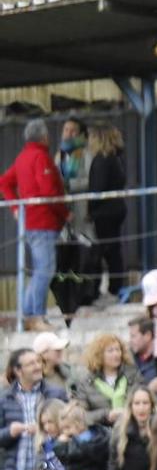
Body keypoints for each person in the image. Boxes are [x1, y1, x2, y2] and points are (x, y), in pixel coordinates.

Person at [0, 120, 67, 330]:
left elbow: (4, 182)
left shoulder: (22, 158)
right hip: (43, 222)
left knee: (41, 269)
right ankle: (36, 316)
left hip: (30, 222)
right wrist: (65, 214)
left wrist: (16, 208)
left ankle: (28, 314)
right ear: (44, 137)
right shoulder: (40, 157)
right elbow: (49, 192)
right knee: (45, 269)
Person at [86, 124, 128, 301]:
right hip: (116, 209)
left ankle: (103, 291)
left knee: (101, 252)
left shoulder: (102, 159)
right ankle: (114, 288)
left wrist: (89, 208)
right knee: (112, 251)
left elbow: (98, 188)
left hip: (104, 213)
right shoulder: (116, 158)